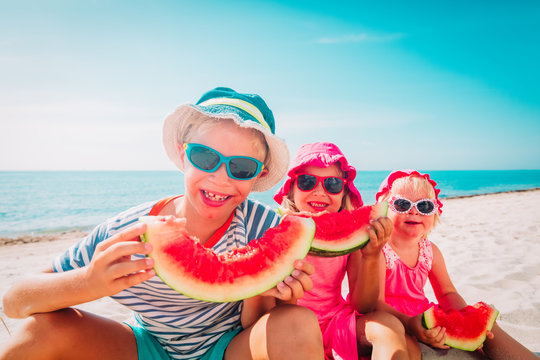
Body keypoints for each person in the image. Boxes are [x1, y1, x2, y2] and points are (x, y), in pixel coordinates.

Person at [1, 87, 324, 360]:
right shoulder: (131, 230)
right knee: (40, 329)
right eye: (205, 157)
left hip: (228, 349)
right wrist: (89, 281)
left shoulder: (264, 225)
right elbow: (14, 302)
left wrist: (274, 298)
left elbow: (257, 325)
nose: (221, 177)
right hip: (144, 347)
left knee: (296, 321)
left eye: (241, 167)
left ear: (259, 175)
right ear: (184, 155)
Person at [273, 142, 419, 360]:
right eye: (307, 182)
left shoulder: (354, 236)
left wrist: (371, 256)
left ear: (344, 193)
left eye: (332, 184)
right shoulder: (275, 230)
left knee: (388, 325)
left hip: (336, 323)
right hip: (290, 324)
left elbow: (364, 306)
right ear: (291, 190)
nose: (320, 191)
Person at [375, 169, 538, 359]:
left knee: (488, 327)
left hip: (424, 319)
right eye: (402, 204)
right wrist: (411, 323)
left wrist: (467, 318)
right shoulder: (379, 250)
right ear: (384, 208)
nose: (414, 211)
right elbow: (374, 304)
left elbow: (447, 293)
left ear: (435, 212)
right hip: (392, 322)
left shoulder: (430, 251)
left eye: (425, 206)